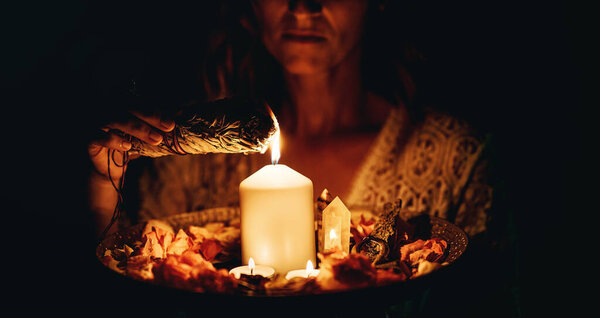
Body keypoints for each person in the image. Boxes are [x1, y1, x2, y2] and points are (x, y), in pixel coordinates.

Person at [86, 1, 509, 315]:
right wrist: (104, 185)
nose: (303, 7)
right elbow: (123, 297)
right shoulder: (195, 160)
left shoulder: (455, 158)